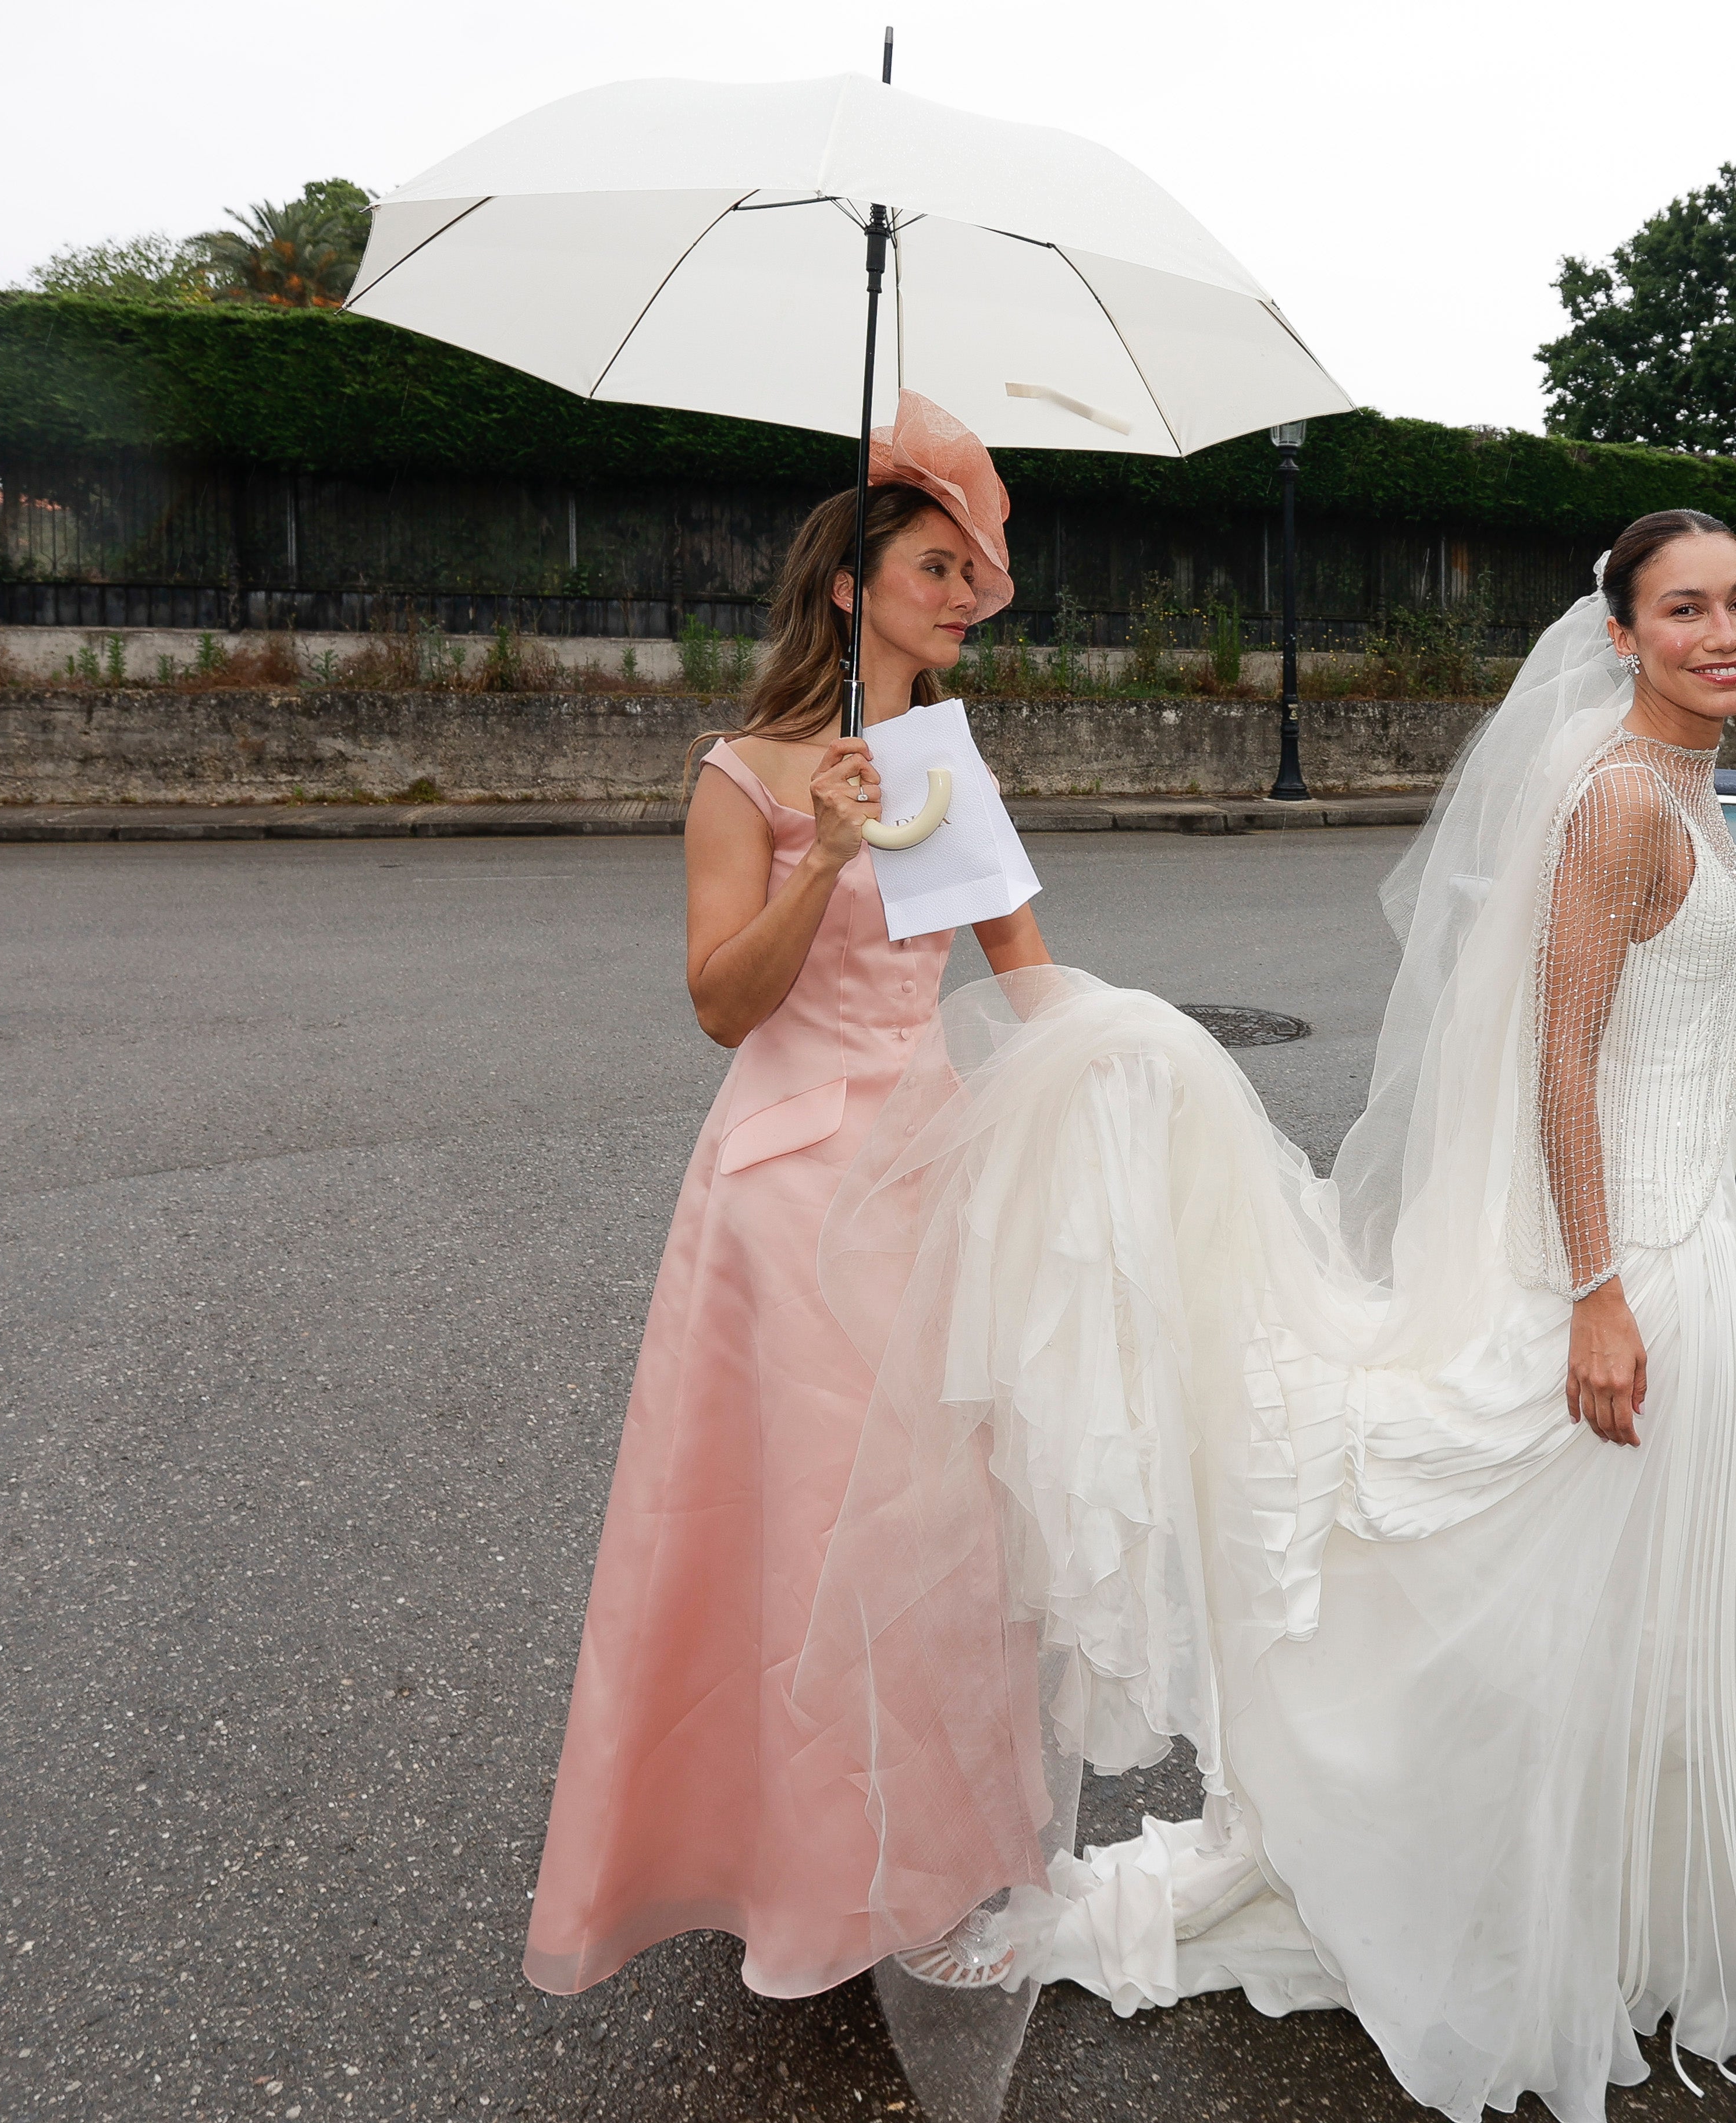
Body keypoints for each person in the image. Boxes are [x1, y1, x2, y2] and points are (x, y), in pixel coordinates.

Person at [793, 512, 1736, 2123]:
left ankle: (1616, 1903)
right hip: (1633, 1271)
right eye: (1687, 610)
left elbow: (1663, 1022)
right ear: (1623, 634)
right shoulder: (1626, 799)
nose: (1728, 631)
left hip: (1684, 1251)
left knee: (1659, 1616)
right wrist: (1597, 1298)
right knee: (1588, 1601)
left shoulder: (1684, 782)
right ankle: (1501, 1905)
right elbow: (1560, 1055)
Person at [522, 393, 1061, 2007]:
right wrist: (819, 853)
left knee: (943, 1531)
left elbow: (1025, 972)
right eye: (931, 565)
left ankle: (931, 1863)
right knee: (800, 1535)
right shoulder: (746, 774)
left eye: (975, 570)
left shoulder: (946, 766)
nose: (963, 593)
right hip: (787, 1198)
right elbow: (718, 1005)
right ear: (850, 587)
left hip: (931, 1173)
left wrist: (1121, 1106)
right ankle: (788, 1876)